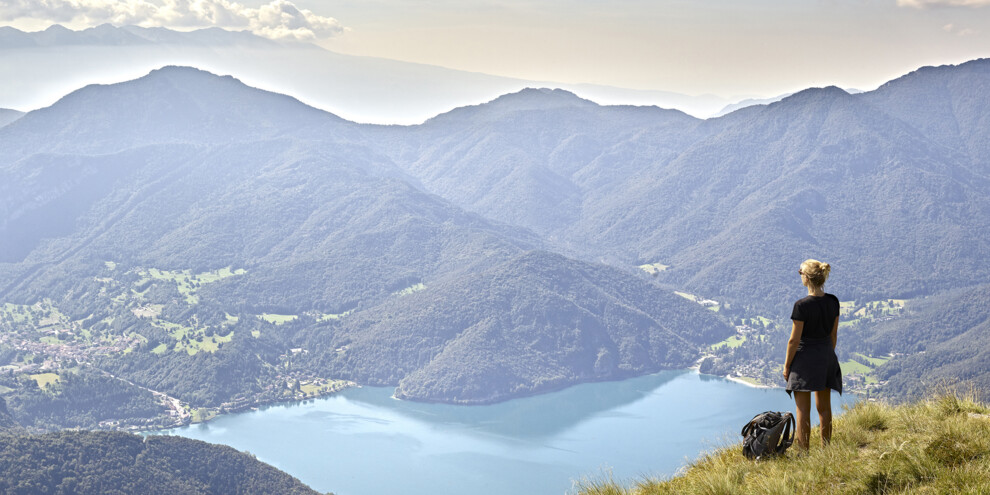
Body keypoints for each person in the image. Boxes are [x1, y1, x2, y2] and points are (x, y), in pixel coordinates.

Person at [783, 259, 841, 451]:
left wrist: (786, 366)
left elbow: (794, 340)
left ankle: (803, 453)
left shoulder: (801, 306)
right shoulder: (833, 302)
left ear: (806, 278)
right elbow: (833, 335)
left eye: (800, 273)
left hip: (804, 361)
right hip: (826, 356)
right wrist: (826, 357)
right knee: (824, 408)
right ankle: (827, 450)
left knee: (802, 410)